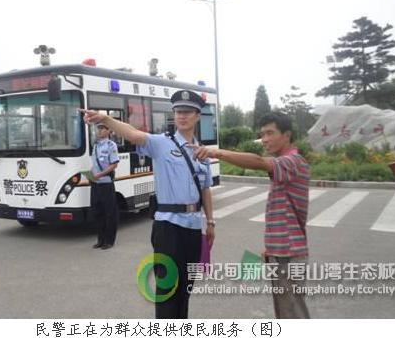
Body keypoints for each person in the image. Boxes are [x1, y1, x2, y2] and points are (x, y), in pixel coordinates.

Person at [80, 90, 215, 319]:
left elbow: (205, 189)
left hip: (193, 228)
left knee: (185, 289)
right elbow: (133, 134)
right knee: (167, 290)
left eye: (188, 112)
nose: (182, 116)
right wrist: (106, 119)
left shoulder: (202, 152)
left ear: (197, 116)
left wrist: (210, 221)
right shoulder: (161, 143)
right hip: (168, 228)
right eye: (178, 111)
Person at [192, 111, 311, 319]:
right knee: (285, 312)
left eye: (270, 133)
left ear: (287, 135)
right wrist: (272, 247)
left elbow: (258, 161)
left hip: (289, 254)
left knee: (293, 313)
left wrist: (215, 153)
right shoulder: (284, 166)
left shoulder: (293, 162)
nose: (264, 139)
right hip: (281, 251)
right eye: (262, 134)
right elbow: (285, 211)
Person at [90, 122, 120, 250]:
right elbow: (94, 164)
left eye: (102, 128)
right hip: (95, 183)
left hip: (106, 183)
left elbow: (114, 164)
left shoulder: (111, 145)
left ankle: (109, 241)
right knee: (97, 212)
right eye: (99, 128)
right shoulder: (95, 145)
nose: (100, 131)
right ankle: (100, 239)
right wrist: (91, 174)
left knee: (109, 213)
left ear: (108, 131)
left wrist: (101, 174)